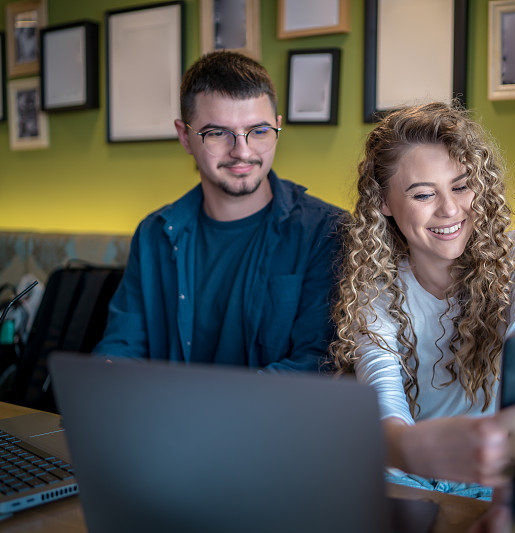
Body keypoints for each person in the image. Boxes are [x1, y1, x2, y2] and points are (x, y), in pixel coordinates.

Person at [331, 102, 515, 498]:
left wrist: (509, 453)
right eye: (423, 194)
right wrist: (418, 452)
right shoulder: (374, 283)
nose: (449, 209)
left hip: (508, 460)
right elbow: (384, 402)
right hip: (409, 467)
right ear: (383, 203)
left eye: (462, 186)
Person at [95, 51, 343, 371]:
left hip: (271, 420)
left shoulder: (325, 231)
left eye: (260, 131)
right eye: (217, 133)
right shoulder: (154, 233)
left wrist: (209, 407)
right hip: (164, 417)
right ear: (185, 136)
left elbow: (317, 362)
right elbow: (123, 343)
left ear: (278, 127)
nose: (242, 151)